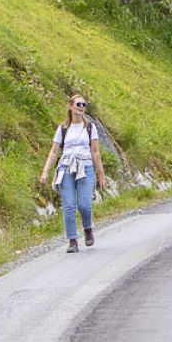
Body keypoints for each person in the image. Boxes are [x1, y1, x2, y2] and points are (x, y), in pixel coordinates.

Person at [41, 93, 103, 252]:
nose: (81, 107)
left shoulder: (90, 127)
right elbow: (54, 152)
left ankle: (88, 229)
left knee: (84, 204)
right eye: (78, 104)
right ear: (70, 106)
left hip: (86, 167)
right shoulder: (63, 128)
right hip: (66, 167)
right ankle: (72, 240)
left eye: (84, 105)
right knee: (68, 205)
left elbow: (95, 152)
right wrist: (45, 172)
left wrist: (101, 175)